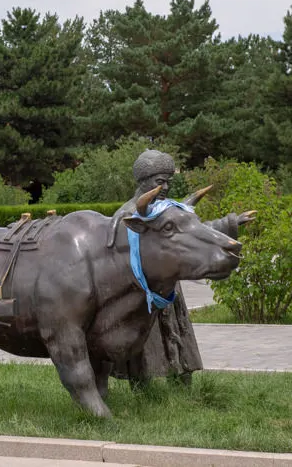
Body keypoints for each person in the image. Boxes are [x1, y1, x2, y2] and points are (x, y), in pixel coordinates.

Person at [109, 149, 254, 389]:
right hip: (142, 295)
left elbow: (192, 233)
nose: (165, 187)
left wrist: (230, 223)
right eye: (160, 181)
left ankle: (183, 383)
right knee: (145, 345)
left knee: (178, 334)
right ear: (144, 180)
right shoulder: (127, 215)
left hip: (169, 290)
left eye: (168, 181)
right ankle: (143, 390)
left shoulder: (169, 209)